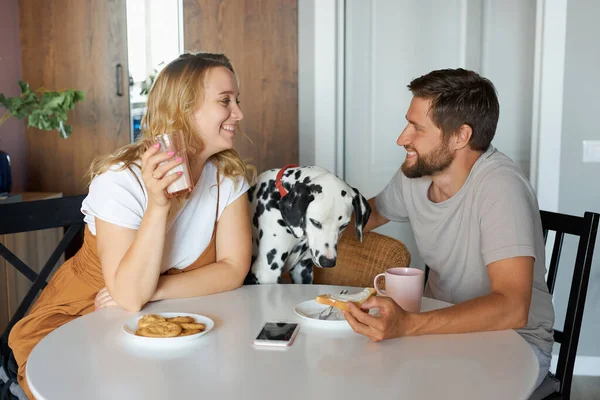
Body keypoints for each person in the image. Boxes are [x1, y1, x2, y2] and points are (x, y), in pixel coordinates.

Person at [8, 52, 252, 398]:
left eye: (237, 101)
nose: (239, 113)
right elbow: (130, 297)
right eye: (225, 101)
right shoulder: (120, 182)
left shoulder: (226, 177)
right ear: (184, 108)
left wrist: (158, 290)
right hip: (79, 325)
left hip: (170, 327)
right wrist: (158, 205)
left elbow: (233, 268)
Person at [343, 68, 555, 389]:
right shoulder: (415, 176)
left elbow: (513, 308)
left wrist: (410, 325)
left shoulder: (501, 187)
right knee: (357, 373)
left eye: (417, 128)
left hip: (511, 342)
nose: (402, 138)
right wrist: (307, 226)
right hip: (438, 331)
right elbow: (366, 216)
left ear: (460, 136)